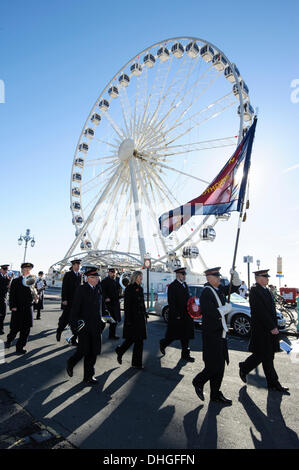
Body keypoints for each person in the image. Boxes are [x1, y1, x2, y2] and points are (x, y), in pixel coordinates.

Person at [192, 267, 241, 404]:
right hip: (212, 334)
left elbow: (234, 288)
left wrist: (235, 276)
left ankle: (215, 394)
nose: (219, 278)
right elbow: (210, 312)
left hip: (221, 333)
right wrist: (226, 309)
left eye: (219, 276)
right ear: (209, 278)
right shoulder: (206, 293)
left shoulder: (218, 289)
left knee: (220, 366)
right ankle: (198, 381)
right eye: (216, 276)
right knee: (214, 366)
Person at [238, 269, 289, 394]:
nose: (267, 279)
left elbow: (270, 310)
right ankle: (272, 382)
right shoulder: (255, 291)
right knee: (264, 356)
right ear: (259, 278)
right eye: (265, 277)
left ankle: (270, 381)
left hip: (268, 329)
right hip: (262, 330)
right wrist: (272, 326)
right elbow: (260, 311)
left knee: (266, 356)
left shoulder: (266, 290)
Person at [66, 267, 105, 386]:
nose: (97, 279)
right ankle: (71, 362)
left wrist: (105, 317)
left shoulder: (98, 289)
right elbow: (75, 309)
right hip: (85, 326)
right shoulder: (81, 289)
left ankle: (88, 376)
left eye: (97, 277)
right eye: (94, 277)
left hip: (96, 325)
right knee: (83, 350)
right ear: (89, 278)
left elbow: (100, 305)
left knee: (93, 352)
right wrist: (74, 327)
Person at [159, 267, 195, 362]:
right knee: (173, 336)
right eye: (183, 274)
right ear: (178, 275)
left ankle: (185, 355)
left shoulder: (185, 285)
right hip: (177, 316)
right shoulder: (172, 286)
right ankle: (163, 343)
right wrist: (177, 315)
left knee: (185, 336)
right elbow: (172, 302)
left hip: (186, 315)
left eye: (185, 274)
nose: (185, 276)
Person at [115, 271, 147, 369]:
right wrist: (128, 319)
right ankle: (121, 351)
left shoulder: (140, 288)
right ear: (135, 277)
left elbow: (142, 303)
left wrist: (145, 314)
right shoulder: (129, 288)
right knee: (132, 339)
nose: (141, 278)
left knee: (139, 340)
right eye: (140, 276)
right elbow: (127, 305)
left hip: (140, 318)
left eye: (142, 276)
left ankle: (136, 363)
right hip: (133, 318)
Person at [6, 262, 35, 354]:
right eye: (25, 269)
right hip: (18, 308)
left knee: (26, 329)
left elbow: (34, 292)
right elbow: (12, 295)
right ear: (22, 270)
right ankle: (9, 339)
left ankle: (20, 347)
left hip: (28, 308)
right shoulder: (16, 281)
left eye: (29, 269)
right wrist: (12, 306)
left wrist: (35, 296)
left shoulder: (32, 281)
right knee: (14, 329)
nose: (27, 271)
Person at [56, 259, 82, 344]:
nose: (78, 266)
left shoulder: (79, 275)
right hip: (68, 301)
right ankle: (59, 330)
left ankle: (74, 339)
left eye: (79, 265)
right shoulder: (68, 274)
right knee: (65, 319)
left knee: (75, 321)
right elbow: (64, 287)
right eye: (77, 265)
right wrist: (64, 299)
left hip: (76, 302)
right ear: (73, 265)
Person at [101, 268, 121, 339]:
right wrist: (105, 297)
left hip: (115, 302)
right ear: (108, 273)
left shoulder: (118, 280)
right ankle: (97, 334)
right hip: (108, 304)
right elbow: (102, 291)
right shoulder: (105, 281)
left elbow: (120, 289)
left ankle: (112, 335)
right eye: (111, 272)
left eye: (114, 272)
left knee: (114, 320)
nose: (113, 274)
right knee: (105, 320)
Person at [0, 264, 11, 334]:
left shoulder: (7, 277)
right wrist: (7, 286)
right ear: (1, 269)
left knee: (3, 314)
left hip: (3, 298)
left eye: (7, 270)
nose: (6, 271)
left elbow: (7, 288)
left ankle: (1, 328)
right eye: (4, 270)